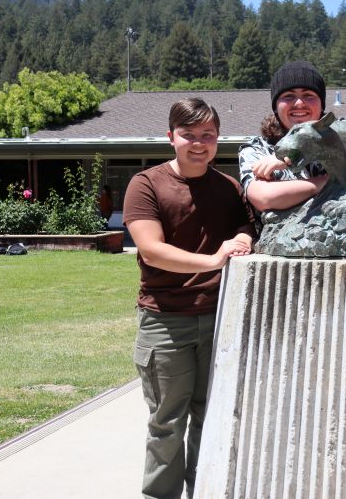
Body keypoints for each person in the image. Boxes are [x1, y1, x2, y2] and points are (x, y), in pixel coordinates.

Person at [123, 98, 255, 499]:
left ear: (218, 139)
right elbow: (151, 250)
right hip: (166, 321)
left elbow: (246, 226)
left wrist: (243, 238)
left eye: (207, 135)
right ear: (171, 137)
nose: (199, 143)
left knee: (210, 418)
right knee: (167, 422)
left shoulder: (229, 188)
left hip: (219, 318)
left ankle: (204, 491)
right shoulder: (146, 184)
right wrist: (214, 260)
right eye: (189, 135)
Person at [238, 61, 329, 214]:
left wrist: (293, 155)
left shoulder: (343, 136)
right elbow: (265, 198)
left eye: (308, 95)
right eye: (288, 96)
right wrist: (329, 182)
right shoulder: (256, 149)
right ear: (275, 106)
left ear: (322, 105)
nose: (299, 103)